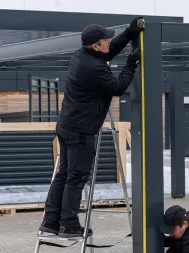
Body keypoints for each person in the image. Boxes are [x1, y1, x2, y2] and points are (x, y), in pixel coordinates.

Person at [39, 17, 143, 238]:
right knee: (76, 178)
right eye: (105, 40)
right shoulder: (94, 68)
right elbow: (117, 87)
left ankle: (51, 220)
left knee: (64, 174)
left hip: (67, 125)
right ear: (96, 45)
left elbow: (109, 51)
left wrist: (129, 33)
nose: (109, 42)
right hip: (81, 131)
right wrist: (131, 64)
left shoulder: (82, 56)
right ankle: (69, 224)